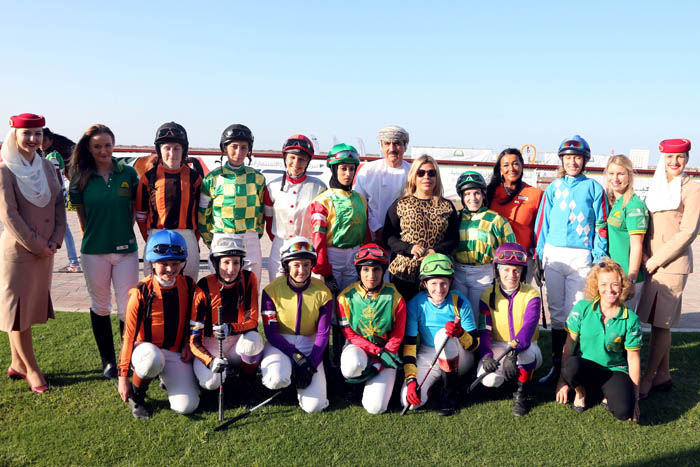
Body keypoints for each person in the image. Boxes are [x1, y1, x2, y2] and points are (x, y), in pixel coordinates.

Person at [534, 135, 608, 384]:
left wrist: (599, 257)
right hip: (554, 254)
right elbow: (542, 224)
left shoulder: (595, 188)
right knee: (556, 313)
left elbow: (601, 225)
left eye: (577, 157)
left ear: (585, 160)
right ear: (562, 160)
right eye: (568, 157)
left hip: (581, 256)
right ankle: (557, 367)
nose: (572, 162)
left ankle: (573, 368)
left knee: (576, 313)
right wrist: (538, 254)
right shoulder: (554, 188)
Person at [0, 113, 66, 394]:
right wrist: (39, 244)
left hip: (46, 250)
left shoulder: (48, 168)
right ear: (14, 134)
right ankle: (32, 369)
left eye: (37, 133)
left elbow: (59, 206)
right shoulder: (5, 170)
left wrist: (56, 238)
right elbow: (9, 215)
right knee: (17, 313)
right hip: (20, 252)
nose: (33, 138)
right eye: (27, 133)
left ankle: (17, 362)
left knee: (27, 310)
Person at [69, 124, 140, 379]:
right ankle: (108, 361)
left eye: (107, 145)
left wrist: (121, 233)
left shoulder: (128, 173)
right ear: (88, 148)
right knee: (100, 306)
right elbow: (81, 217)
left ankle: (127, 358)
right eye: (97, 146)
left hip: (126, 252)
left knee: (127, 307)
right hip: (94, 252)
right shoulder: (79, 176)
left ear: (114, 144)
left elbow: (134, 209)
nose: (103, 150)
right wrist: (96, 237)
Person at [636, 138, 700, 400]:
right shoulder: (658, 185)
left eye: (680, 158)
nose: (675, 162)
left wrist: (657, 258)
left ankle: (648, 378)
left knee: (661, 325)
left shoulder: (692, 188)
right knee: (656, 320)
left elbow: (688, 232)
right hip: (652, 263)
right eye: (670, 158)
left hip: (671, 265)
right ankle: (663, 375)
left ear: (686, 159)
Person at [117, 229, 199, 419]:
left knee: (187, 406)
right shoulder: (141, 292)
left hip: (175, 351)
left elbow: (193, 320)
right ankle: (137, 397)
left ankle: (165, 377)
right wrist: (122, 378)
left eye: (175, 263)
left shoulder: (188, 285)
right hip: (147, 350)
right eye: (164, 263)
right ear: (152, 263)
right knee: (152, 359)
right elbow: (128, 336)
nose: (170, 269)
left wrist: (188, 343)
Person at [555, 259, 641, 422]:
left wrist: (635, 399)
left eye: (615, 284)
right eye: (603, 284)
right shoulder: (582, 308)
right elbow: (569, 344)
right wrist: (562, 381)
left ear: (622, 286)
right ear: (596, 286)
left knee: (624, 412)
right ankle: (581, 392)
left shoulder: (631, 319)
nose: (609, 289)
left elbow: (633, 358)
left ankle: (604, 394)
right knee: (570, 367)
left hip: (613, 370)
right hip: (586, 366)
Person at [260, 237, 333, 413]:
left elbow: (323, 334)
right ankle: (289, 374)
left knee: (314, 407)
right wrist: (297, 358)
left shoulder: (323, 291)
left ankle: (301, 377)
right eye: (296, 265)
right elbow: (271, 333)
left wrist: (312, 362)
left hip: (311, 342)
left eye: (306, 265)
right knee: (275, 379)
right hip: (280, 341)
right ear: (287, 266)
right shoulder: (271, 290)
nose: (302, 270)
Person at [189, 235, 263, 405]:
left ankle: (246, 384)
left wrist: (231, 328)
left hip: (236, 343)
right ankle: (213, 382)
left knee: (254, 340)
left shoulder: (249, 279)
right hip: (211, 345)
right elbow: (194, 340)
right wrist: (210, 361)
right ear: (215, 263)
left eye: (236, 262)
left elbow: (252, 321)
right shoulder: (203, 286)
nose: (231, 269)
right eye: (226, 262)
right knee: (211, 382)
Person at [401, 254, 478, 416]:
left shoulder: (460, 301)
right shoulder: (415, 304)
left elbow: (474, 345)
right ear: (424, 283)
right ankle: (437, 385)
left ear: (450, 282)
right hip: (428, 353)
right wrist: (411, 380)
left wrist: (460, 333)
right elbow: (409, 348)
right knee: (409, 402)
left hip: (460, 356)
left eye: (444, 283)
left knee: (442, 335)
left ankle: (450, 393)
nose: (439, 289)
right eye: (433, 283)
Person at [336, 243, 406, 414]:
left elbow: (398, 333)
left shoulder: (395, 296)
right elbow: (349, 333)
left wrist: (383, 357)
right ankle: (356, 386)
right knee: (352, 364)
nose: (371, 275)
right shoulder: (345, 297)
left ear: (383, 271)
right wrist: (377, 352)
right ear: (359, 271)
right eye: (366, 270)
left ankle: (378, 378)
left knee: (376, 408)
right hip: (358, 348)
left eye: (376, 270)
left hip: (388, 351)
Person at [477, 243, 542, 416]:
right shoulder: (486, 295)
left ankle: (522, 393)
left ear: (522, 272)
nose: (511, 275)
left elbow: (528, 329)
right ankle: (507, 381)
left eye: (516, 270)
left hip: (526, 345)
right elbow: (484, 331)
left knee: (526, 354)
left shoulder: (532, 295)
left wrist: (513, 353)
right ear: (497, 271)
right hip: (498, 345)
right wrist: (486, 356)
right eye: (506, 270)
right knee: (489, 379)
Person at [383, 155, 459, 302]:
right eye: (421, 173)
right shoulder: (400, 204)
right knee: (405, 320)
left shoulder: (447, 206)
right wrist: (408, 248)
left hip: (437, 273)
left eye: (431, 173)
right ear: (413, 176)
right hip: (404, 273)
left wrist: (434, 251)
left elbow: (453, 239)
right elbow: (388, 236)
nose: (426, 177)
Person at [198, 124, 267, 281]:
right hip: (222, 237)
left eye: (244, 147)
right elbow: (203, 214)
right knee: (221, 289)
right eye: (234, 146)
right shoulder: (211, 179)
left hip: (250, 238)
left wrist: (255, 235)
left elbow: (261, 211)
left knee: (251, 287)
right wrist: (210, 240)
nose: (238, 152)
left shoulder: (257, 178)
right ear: (225, 148)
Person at [136, 122, 202, 280]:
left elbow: (201, 214)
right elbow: (140, 215)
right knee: (155, 287)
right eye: (167, 148)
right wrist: (151, 237)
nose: (172, 153)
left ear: (184, 150)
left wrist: (193, 238)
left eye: (177, 148)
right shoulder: (148, 178)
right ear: (159, 150)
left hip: (187, 235)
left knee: (188, 285)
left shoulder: (195, 178)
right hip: (157, 234)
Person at [453, 170, 516, 322]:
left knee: (478, 316)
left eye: (476, 193)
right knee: (458, 315)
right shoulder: (455, 218)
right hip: (458, 273)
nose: (472, 198)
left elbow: (510, 250)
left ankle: (480, 345)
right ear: (462, 197)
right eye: (467, 194)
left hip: (484, 274)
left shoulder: (496, 220)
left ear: (483, 195)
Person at [263, 134, 326, 280]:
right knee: (277, 289)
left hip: (308, 245)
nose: (296, 163)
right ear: (285, 158)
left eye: (301, 159)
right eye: (292, 157)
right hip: (280, 245)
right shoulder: (272, 187)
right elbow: (268, 220)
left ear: (308, 161)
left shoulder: (319, 187)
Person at [310, 143, 368, 294]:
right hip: (332, 256)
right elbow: (318, 238)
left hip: (354, 255)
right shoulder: (322, 200)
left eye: (351, 169)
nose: (348, 174)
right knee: (329, 300)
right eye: (343, 168)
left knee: (350, 298)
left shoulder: (360, 199)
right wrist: (323, 268)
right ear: (334, 169)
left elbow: (365, 231)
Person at [486, 148, 543, 282]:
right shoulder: (490, 192)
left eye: (515, 163)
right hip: (495, 260)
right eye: (506, 165)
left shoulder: (535, 195)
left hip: (522, 261)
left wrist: (537, 258)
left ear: (522, 166)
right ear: (500, 169)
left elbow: (541, 230)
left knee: (521, 300)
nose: (511, 168)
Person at [354, 125, 411, 244]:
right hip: (371, 235)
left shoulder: (413, 173)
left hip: (403, 237)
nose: (392, 148)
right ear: (381, 146)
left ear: (405, 146)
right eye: (387, 144)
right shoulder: (368, 170)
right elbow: (359, 204)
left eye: (397, 143)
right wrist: (376, 228)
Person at [604, 155, 648, 310]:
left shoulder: (634, 205)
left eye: (620, 174)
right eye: (611, 173)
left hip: (627, 276)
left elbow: (637, 245)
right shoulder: (615, 203)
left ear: (629, 176)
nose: (615, 178)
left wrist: (631, 279)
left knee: (625, 325)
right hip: (613, 275)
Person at [42, 128, 81, 273]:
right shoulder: (51, 155)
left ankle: (73, 261)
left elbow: (52, 179)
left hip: (53, 197)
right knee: (62, 228)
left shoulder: (52, 156)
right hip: (56, 196)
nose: (41, 143)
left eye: (44, 140)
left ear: (51, 141)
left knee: (64, 229)